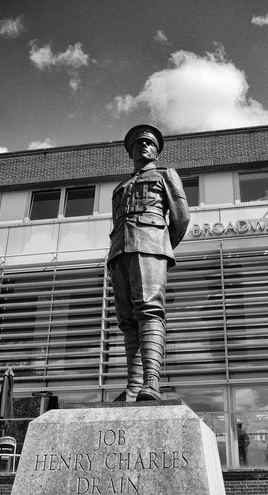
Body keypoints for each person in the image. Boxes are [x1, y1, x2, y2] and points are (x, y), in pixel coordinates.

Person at [108, 124, 190, 402]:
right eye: (138, 143)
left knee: (149, 311)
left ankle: (151, 383)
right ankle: (133, 384)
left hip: (151, 245)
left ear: (156, 149)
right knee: (127, 320)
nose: (143, 146)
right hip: (119, 251)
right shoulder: (120, 187)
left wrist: (160, 247)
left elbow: (181, 217)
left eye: (149, 143)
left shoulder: (166, 175)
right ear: (130, 151)